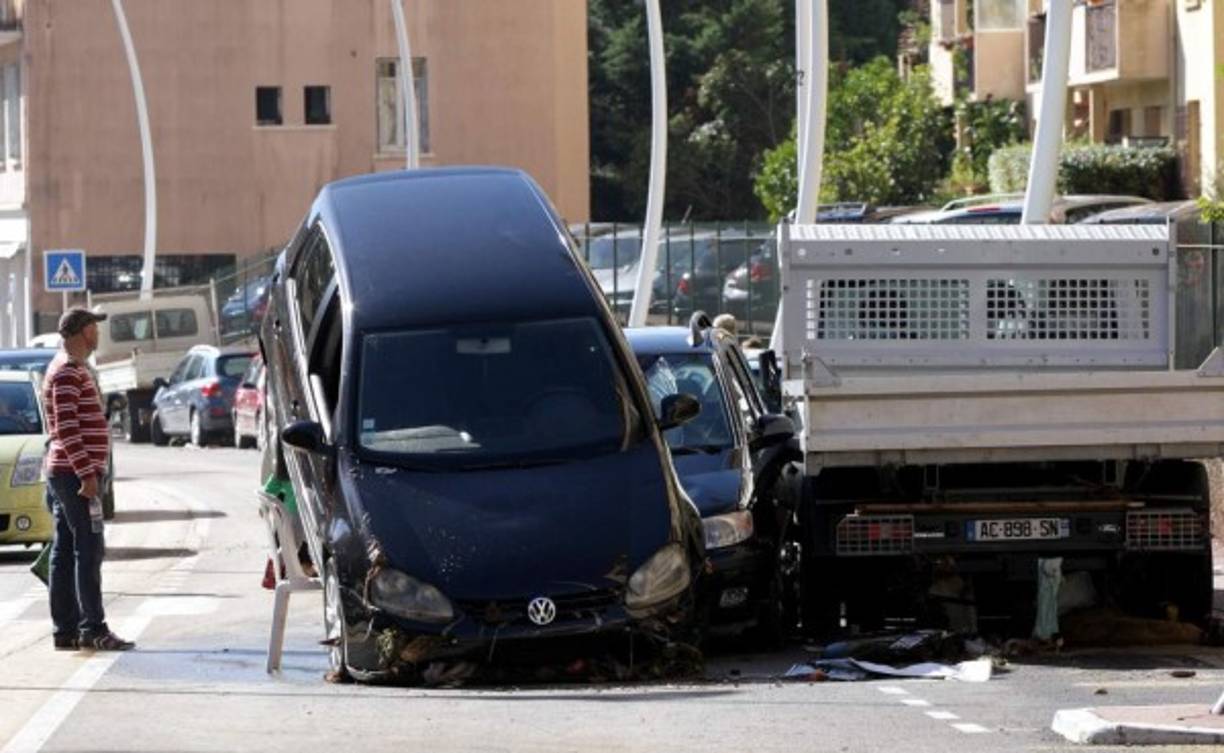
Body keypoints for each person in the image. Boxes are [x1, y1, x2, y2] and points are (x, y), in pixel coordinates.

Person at [43, 307, 134, 652]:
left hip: (67, 472)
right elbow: (67, 428)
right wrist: (86, 474)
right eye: (94, 327)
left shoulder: (70, 368)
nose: (98, 333)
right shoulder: (67, 371)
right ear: (84, 332)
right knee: (88, 549)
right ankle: (92, 627)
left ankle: (66, 630)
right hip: (73, 475)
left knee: (66, 550)